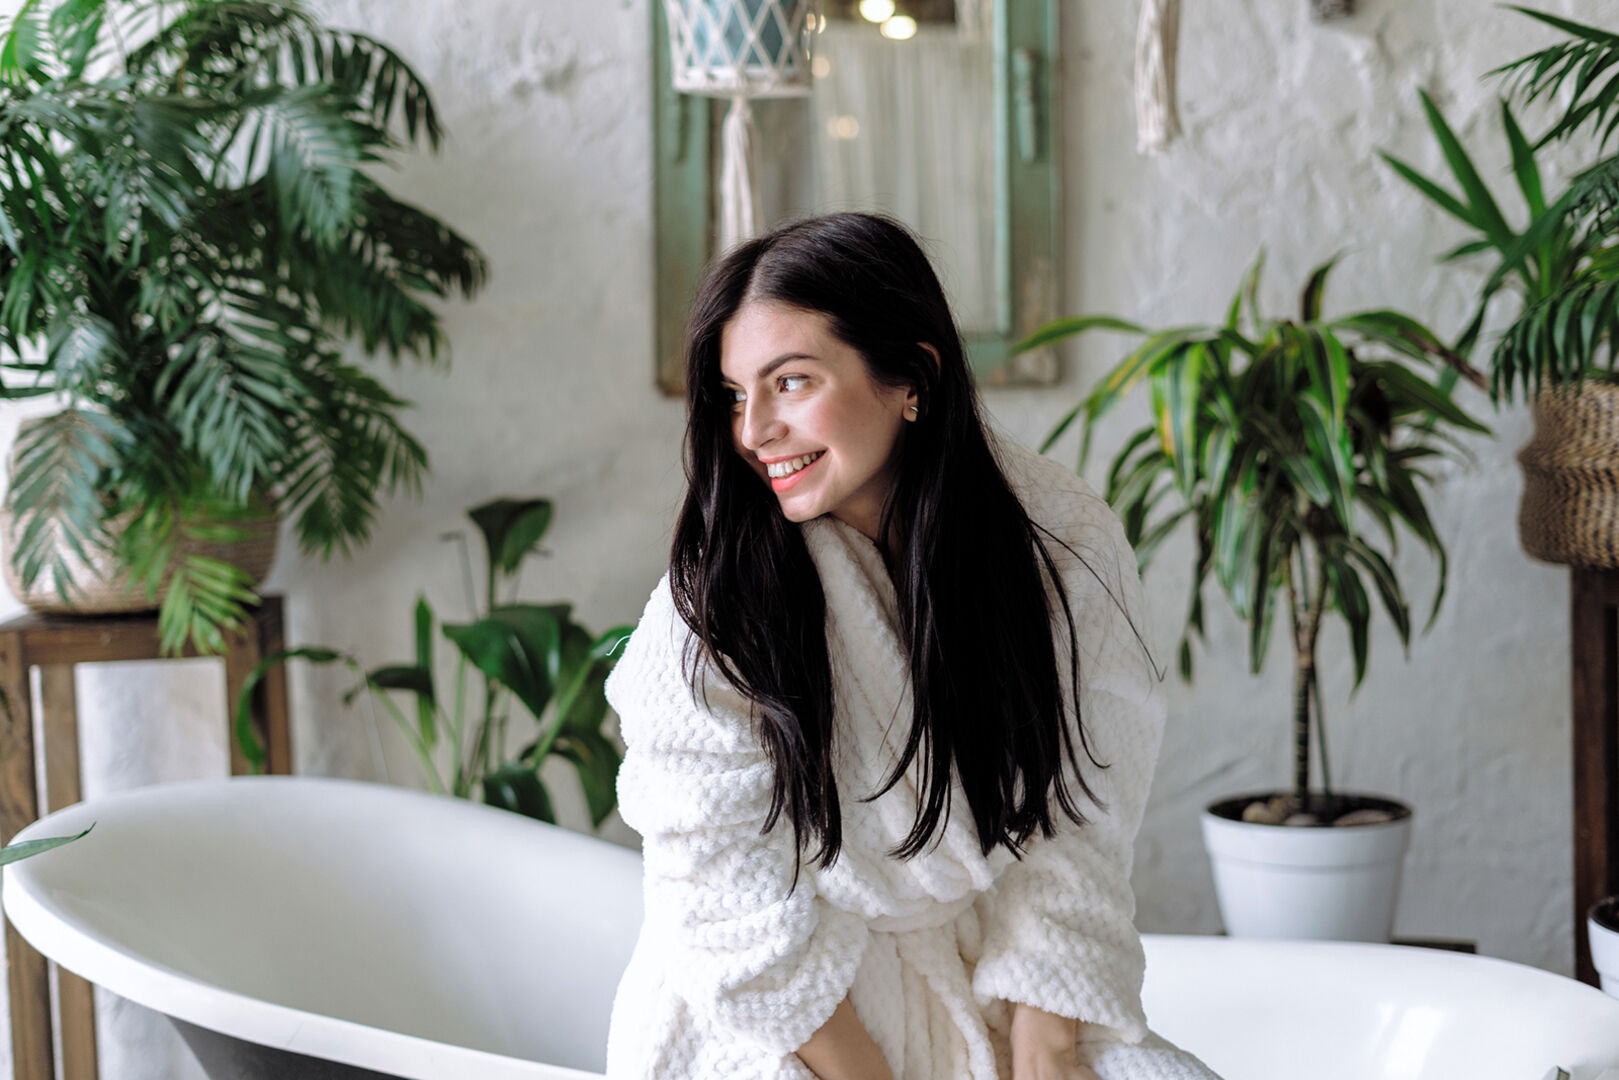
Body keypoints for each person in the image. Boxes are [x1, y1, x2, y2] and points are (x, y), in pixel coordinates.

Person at [603, 213, 1221, 1080]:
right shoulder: (716, 597)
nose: (754, 431)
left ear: (912, 377)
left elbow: (1083, 812)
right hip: (786, 1017)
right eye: (738, 394)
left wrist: (1043, 1048)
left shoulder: (1060, 536)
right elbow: (717, 894)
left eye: (790, 382)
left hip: (992, 973)